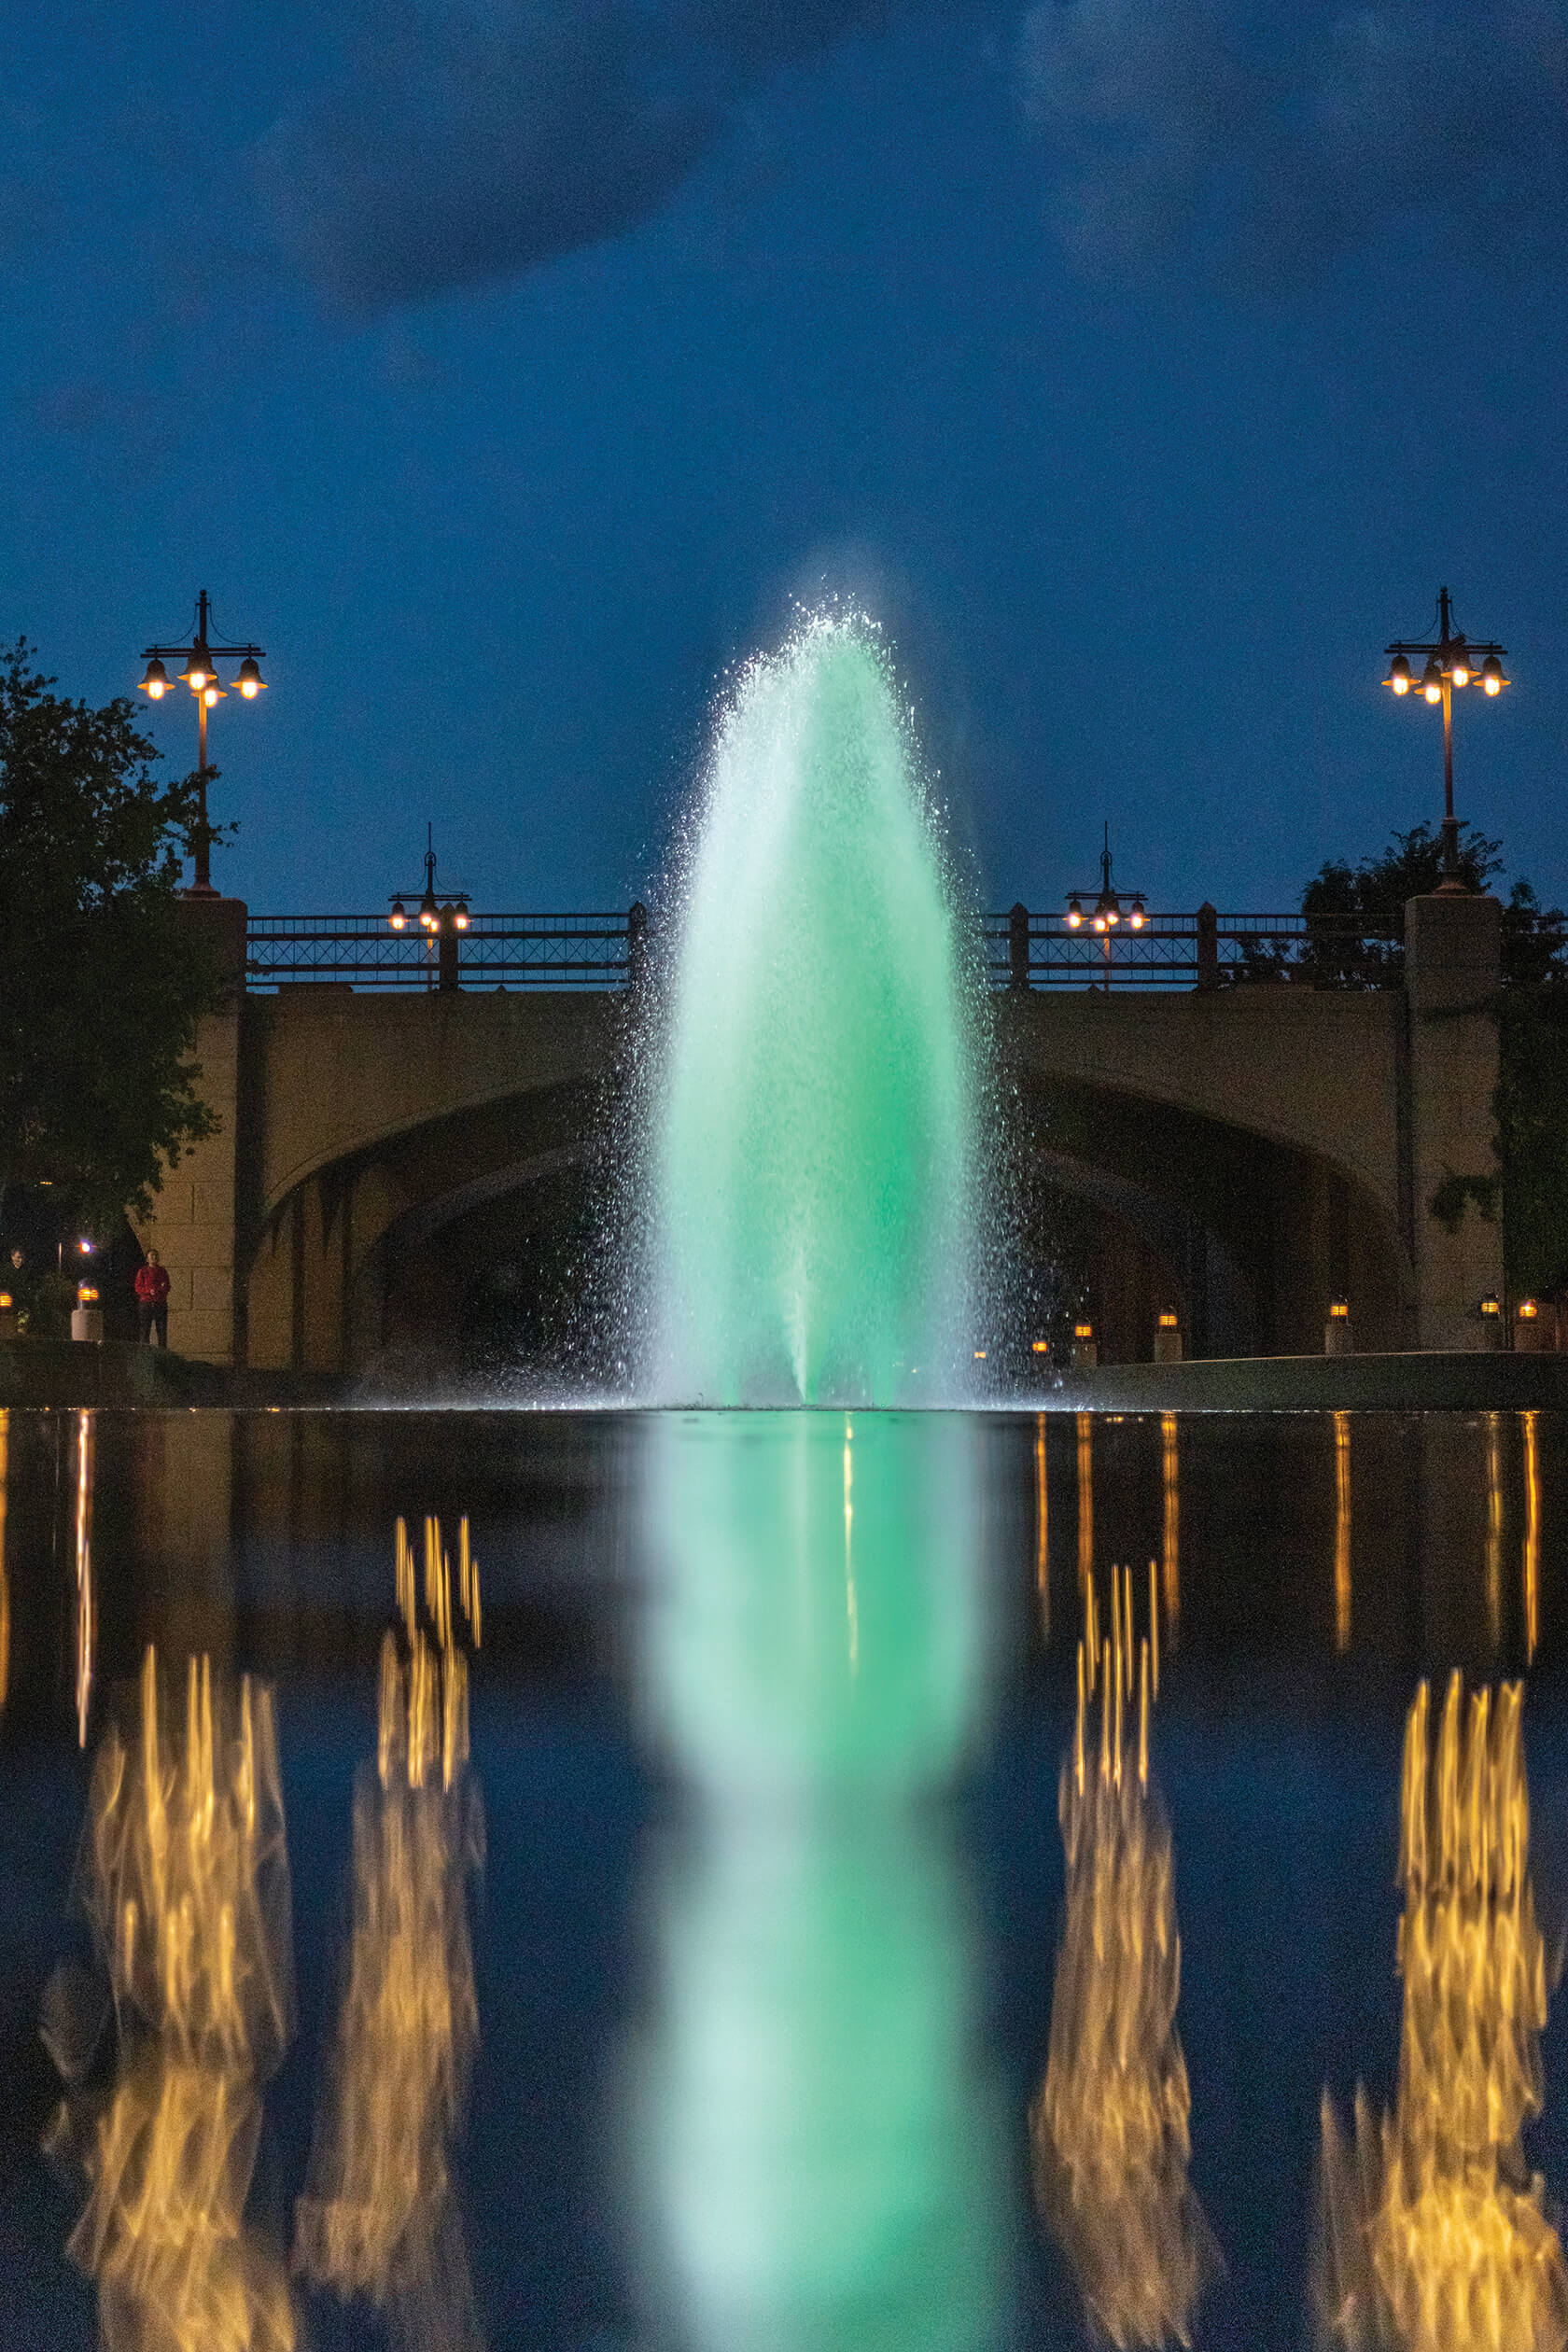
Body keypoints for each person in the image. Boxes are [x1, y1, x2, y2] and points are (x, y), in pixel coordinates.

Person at [134, 1250, 170, 1347]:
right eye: (152, 1256)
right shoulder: (143, 1271)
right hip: (146, 1303)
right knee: (145, 1329)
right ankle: (144, 1352)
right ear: (147, 1259)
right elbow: (138, 1287)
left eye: (156, 1256)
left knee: (162, 1330)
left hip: (160, 1303)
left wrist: (159, 1289)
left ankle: (162, 1353)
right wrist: (148, 1291)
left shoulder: (162, 1271)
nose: (154, 1258)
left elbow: (167, 1286)